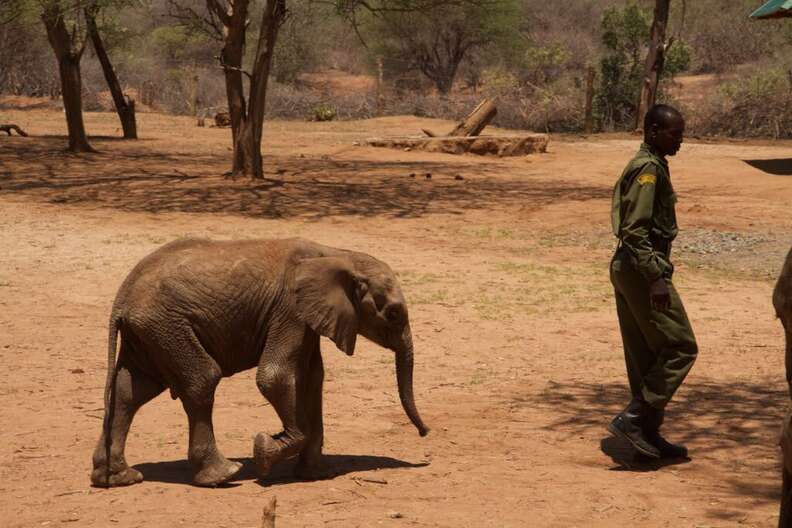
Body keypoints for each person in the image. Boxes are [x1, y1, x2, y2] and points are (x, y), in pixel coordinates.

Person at [607, 104, 698, 459]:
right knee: (681, 347)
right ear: (652, 132)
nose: (680, 140)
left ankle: (646, 435)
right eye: (674, 134)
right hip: (640, 271)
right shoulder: (648, 169)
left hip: (629, 269)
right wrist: (656, 278)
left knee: (647, 354)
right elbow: (634, 230)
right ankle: (632, 419)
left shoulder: (653, 164)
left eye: (681, 133)